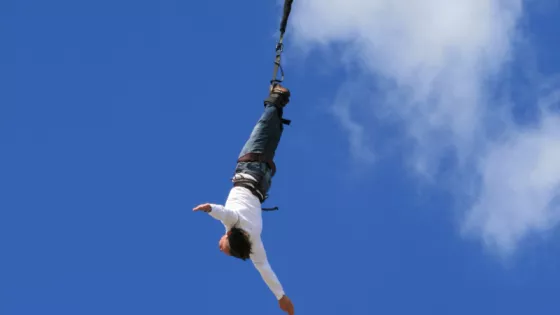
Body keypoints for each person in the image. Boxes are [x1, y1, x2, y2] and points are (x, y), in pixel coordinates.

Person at [193, 84, 295, 315]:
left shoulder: (255, 245)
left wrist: (281, 296)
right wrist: (207, 208)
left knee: (272, 135)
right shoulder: (232, 223)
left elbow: (265, 270)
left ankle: (278, 103)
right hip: (249, 169)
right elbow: (221, 212)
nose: (220, 249)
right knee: (261, 129)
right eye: (225, 249)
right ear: (229, 238)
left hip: (264, 178)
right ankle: (277, 97)